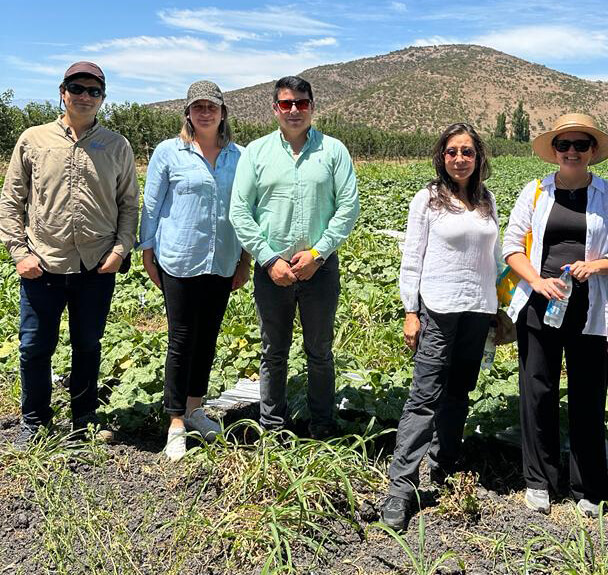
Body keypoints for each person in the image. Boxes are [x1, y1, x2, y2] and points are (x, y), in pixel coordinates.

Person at [0, 62, 139, 447]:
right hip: (42, 263)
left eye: (94, 91)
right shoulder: (33, 139)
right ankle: (34, 421)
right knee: (33, 346)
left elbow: (129, 204)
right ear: (62, 91)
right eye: (78, 88)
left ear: (103, 99)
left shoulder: (118, 145)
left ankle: (83, 418)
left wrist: (120, 248)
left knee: (88, 344)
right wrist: (18, 252)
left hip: (96, 264)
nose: (85, 96)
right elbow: (11, 200)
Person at [502, 113, 608, 517]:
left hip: (591, 308)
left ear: (593, 151)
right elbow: (511, 245)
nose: (572, 152)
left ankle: (588, 487)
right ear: (554, 151)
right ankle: (539, 481)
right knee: (537, 389)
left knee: (588, 394)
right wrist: (537, 282)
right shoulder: (536, 191)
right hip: (540, 304)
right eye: (564, 145)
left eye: (580, 145)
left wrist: (597, 266)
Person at [380, 123, 500, 531]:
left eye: (467, 152)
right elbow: (412, 256)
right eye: (452, 152)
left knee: (459, 390)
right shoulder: (428, 200)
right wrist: (410, 310)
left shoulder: (487, 200)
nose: (460, 159)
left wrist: (497, 306)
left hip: (478, 309)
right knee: (424, 395)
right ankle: (400, 488)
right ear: (442, 157)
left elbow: (493, 258)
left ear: (478, 157)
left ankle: (444, 464)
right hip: (438, 308)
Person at [229, 76, 359, 440]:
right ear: (275, 109)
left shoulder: (333, 151)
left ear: (312, 107)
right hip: (273, 270)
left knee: (319, 351)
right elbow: (240, 210)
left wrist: (318, 253)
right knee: (273, 352)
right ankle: (273, 427)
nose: (294, 110)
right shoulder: (256, 152)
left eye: (301, 103)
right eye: (286, 104)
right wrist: (270, 260)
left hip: (320, 268)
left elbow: (348, 207)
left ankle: (322, 426)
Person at [138, 81, 250, 460]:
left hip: (222, 260)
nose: (205, 112)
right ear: (188, 112)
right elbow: (151, 205)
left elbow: (246, 210)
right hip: (179, 258)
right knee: (182, 337)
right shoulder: (170, 153)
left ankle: (195, 408)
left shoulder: (240, 156)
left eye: (212, 106)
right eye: (198, 106)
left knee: (208, 336)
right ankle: (175, 422)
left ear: (223, 112)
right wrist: (147, 250)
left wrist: (245, 258)